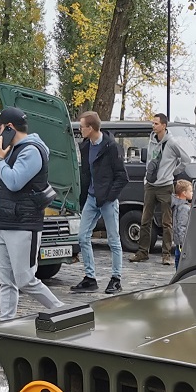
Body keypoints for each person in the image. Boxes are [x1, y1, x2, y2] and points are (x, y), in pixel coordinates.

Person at [0, 106, 66, 322]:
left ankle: (62, 310)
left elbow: (14, 182)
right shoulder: (13, 149)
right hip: (4, 220)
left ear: (10, 128)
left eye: (0, 128)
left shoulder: (31, 150)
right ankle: (6, 323)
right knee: (6, 280)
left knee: (26, 279)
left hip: (23, 223)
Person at [71, 110, 128, 294]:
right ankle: (90, 278)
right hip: (91, 197)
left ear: (91, 128)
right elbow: (86, 173)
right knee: (82, 236)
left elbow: (122, 176)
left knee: (114, 240)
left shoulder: (111, 147)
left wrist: (110, 197)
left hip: (107, 200)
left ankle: (116, 279)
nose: (80, 130)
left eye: (82, 127)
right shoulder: (86, 146)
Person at [130, 113, 191, 265]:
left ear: (164, 125)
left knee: (166, 222)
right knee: (145, 220)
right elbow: (150, 160)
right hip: (151, 185)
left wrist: (173, 172)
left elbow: (186, 159)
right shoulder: (151, 140)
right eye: (153, 123)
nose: (153, 126)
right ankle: (142, 252)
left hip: (165, 186)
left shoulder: (172, 143)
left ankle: (166, 254)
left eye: (156, 123)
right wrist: (147, 178)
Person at [171, 178, 192, 269]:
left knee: (177, 258)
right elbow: (182, 226)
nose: (192, 193)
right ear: (184, 193)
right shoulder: (184, 208)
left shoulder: (177, 205)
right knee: (181, 260)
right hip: (182, 242)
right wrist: (183, 242)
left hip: (178, 240)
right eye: (190, 191)